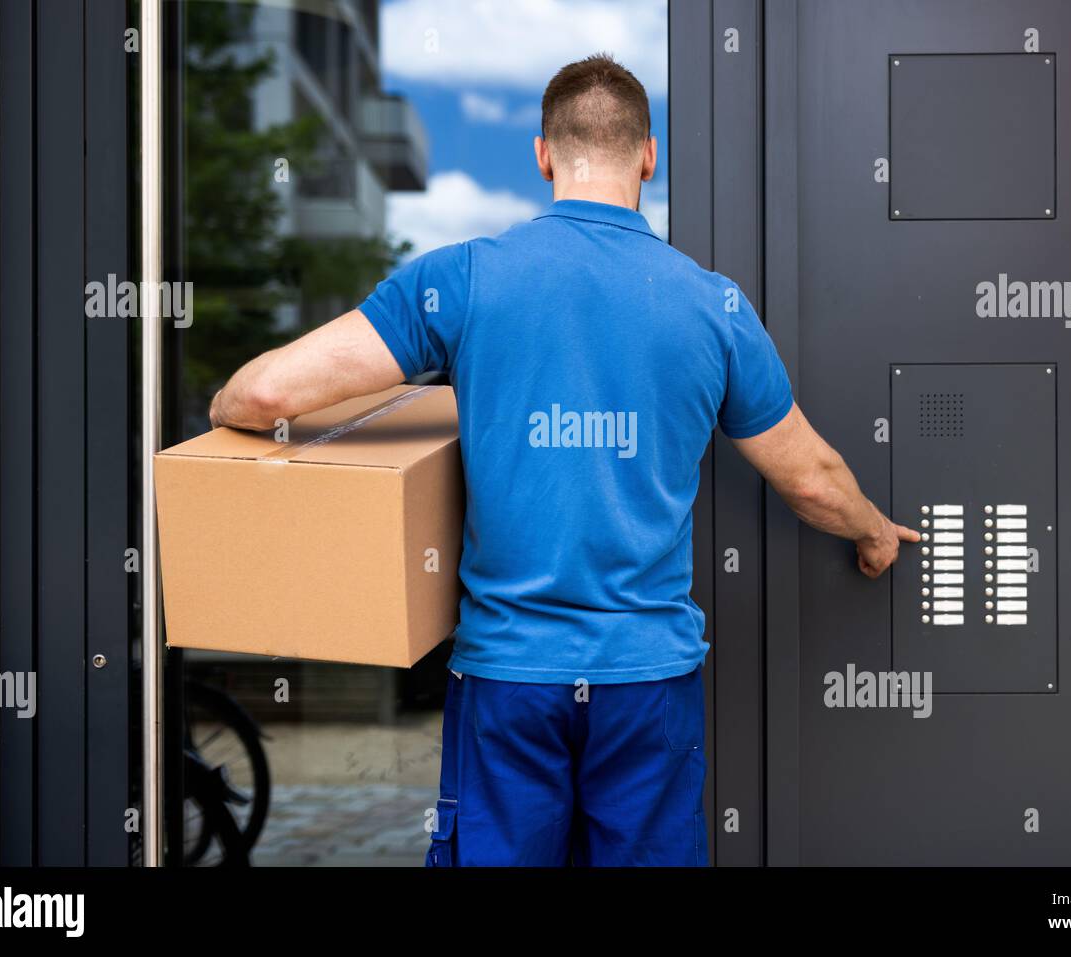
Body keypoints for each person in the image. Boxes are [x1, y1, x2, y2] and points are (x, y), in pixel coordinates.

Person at [208, 53, 919, 866]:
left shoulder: (464, 280)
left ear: (543, 155)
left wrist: (223, 409)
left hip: (509, 682)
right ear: (649, 155)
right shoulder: (712, 306)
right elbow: (811, 479)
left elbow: (264, 394)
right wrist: (873, 532)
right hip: (646, 687)